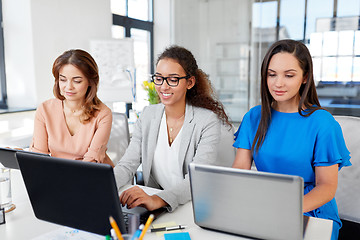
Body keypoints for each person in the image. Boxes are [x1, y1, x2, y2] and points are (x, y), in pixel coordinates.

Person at [232, 39, 351, 240]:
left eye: (289, 75)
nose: (278, 83)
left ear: (304, 77)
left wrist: (286, 209)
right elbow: (239, 170)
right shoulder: (254, 117)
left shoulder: (323, 123)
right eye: (272, 75)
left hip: (310, 211)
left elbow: (327, 186)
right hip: (266, 206)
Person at [114, 45, 231, 212]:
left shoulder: (206, 121)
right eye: (159, 78)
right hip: (159, 208)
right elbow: (127, 165)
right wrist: (104, 188)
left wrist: (158, 199)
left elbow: (195, 179)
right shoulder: (148, 115)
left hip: (196, 206)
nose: (164, 86)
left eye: (173, 79)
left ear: (189, 83)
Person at [30, 49, 114, 167]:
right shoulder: (45, 110)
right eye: (63, 79)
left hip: (91, 176)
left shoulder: (103, 114)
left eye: (77, 81)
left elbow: (91, 163)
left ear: (90, 81)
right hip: (56, 176)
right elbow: (38, 157)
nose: (68, 87)